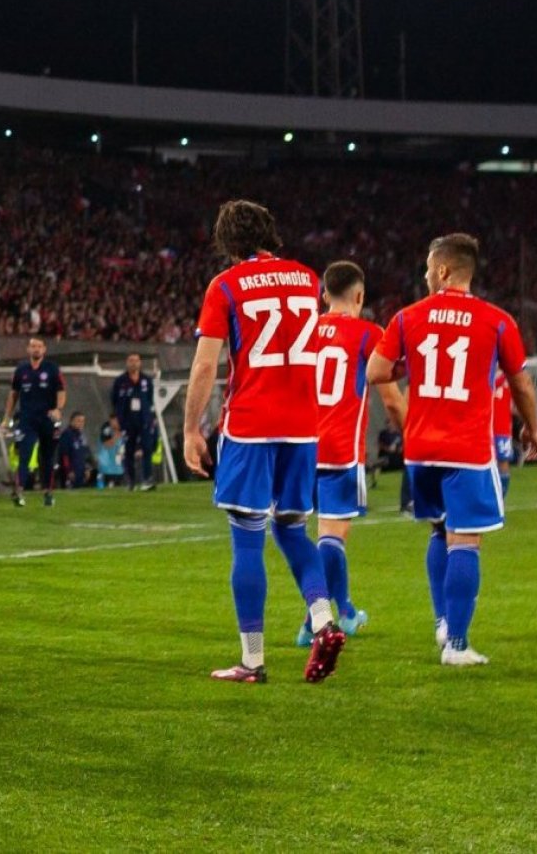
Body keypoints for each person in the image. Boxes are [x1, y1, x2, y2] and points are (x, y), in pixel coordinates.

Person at [184, 199, 345, 685]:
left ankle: (252, 661)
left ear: (227, 242)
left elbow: (206, 364)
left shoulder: (225, 286)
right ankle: (323, 619)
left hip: (252, 423)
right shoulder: (305, 278)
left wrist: (192, 428)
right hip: (302, 424)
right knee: (293, 529)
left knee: (247, 536)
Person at [366, 233, 537, 666]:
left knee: (436, 530)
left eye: (429, 267)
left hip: (422, 448)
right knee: (465, 540)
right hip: (468, 448)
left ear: (444, 270)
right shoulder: (497, 320)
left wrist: (416, 370)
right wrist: (532, 430)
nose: (426, 274)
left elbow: (376, 371)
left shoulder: (409, 317)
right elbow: (520, 382)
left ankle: (443, 623)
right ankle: (459, 646)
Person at [298, 261, 405, 648]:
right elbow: (391, 399)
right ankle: (316, 621)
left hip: (297, 447)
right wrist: (413, 435)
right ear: (359, 296)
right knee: (332, 535)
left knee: (299, 534)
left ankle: (342, 610)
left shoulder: (303, 331)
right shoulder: (368, 334)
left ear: (324, 295)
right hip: (340, 449)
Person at [5, 336, 65, 507]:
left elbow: (61, 391)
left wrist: (58, 410)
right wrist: (7, 417)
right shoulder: (21, 370)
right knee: (24, 454)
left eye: (39, 346)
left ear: (44, 349)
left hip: (48, 419)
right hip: (27, 419)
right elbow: (13, 394)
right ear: (28, 349)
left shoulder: (52, 369)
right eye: (33, 346)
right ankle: (19, 491)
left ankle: (47, 492)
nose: (36, 349)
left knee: (46, 457)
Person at [110, 353, 157, 491]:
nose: (134, 363)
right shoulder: (120, 381)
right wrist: (116, 419)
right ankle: (130, 481)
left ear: (140, 363)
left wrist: (150, 417)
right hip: (127, 421)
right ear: (126, 363)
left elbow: (149, 399)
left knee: (147, 449)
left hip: (143, 420)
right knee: (129, 451)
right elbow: (114, 401)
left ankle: (147, 479)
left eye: (136, 360)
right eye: (131, 360)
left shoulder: (146, 380)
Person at [492, 370, 514, 496]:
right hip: (486, 425)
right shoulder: (488, 374)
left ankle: (501, 496)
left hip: (502, 426)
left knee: (503, 461)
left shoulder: (511, 376)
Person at [60, 412, 90, 489]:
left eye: (83, 421)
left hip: (81, 471)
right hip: (71, 472)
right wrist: (69, 471)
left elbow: (85, 454)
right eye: (78, 421)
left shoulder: (81, 435)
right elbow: (64, 455)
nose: (81, 423)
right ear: (71, 421)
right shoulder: (67, 435)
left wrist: (87, 468)